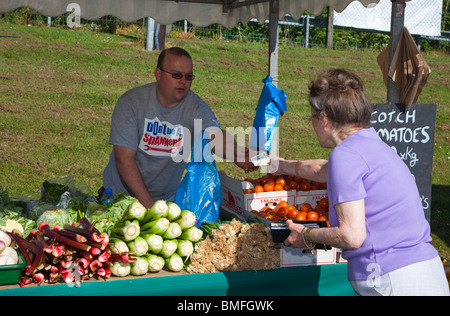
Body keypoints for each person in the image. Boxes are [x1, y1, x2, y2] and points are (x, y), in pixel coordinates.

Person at [268, 68, 449, 296]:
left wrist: (306, 235)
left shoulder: (345, 155)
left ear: (323, 118)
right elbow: (321, 170)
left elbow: (351, 236)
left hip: (390, 276)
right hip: (426, 271)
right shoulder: (370, 144)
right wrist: (277, 164)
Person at [102, 47, 257, 209]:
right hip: (120, 198)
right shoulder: (131, 103)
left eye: (188, 77)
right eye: (176, 75)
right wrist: (149, 205)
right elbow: (124, 158)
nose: (183, 81)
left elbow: (214, 135)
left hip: (166, 201)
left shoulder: (196, 107)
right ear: (158, 74)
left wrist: (237, 153)